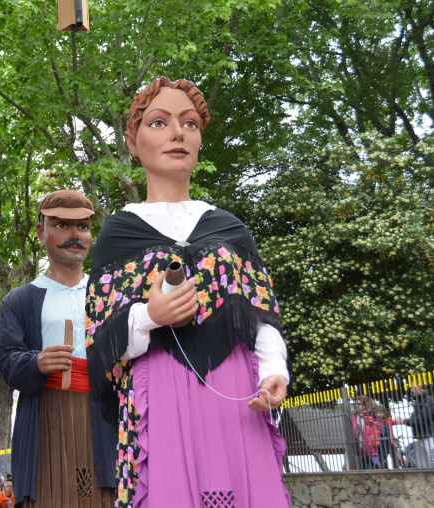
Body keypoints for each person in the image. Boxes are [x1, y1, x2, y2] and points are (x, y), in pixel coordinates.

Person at [86, 76, 290, 507]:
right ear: (134, 143)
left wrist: (275, 370)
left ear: (199, 144)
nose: (179, 133)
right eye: (160, 122)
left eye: (190, 124)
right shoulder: (118, 235)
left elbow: (261, 311)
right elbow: (100, 341)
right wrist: (148, 315)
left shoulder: (229, 228)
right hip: (158, 397)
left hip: (238, 397)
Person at [0, 190, 115, 507]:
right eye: (61, 225)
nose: (75, 235)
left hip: (104, 420)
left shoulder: (109, 294)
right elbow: (7, 362)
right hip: (47, 420)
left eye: (83, 227)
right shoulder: (20, 301)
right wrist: (36, 362)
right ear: (40, 232)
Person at [401, 385, 434, 468]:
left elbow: (422, 419)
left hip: (432, 437)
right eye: (412, 389)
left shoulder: (430, 401)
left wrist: (405, 421)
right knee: (425, 467)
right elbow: (414, 419)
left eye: (415, 388)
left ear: (422, 388)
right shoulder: (418, 403)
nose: (412, 391)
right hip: (421, 437)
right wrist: (408, 421)